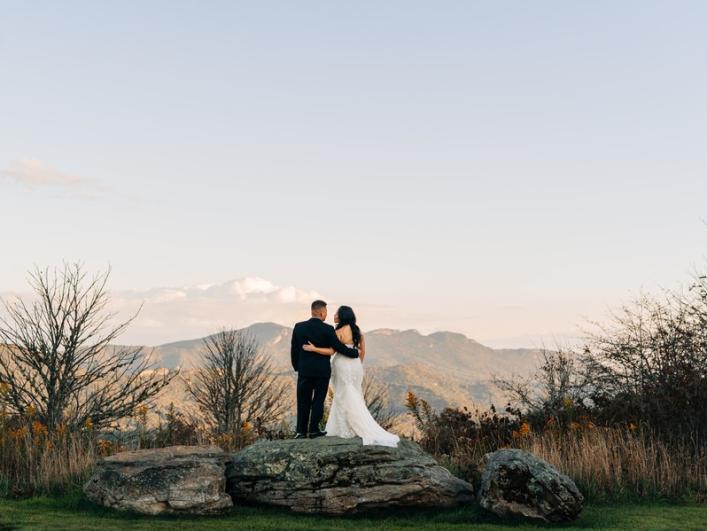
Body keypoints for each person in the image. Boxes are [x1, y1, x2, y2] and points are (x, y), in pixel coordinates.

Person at [303, 305, 399, 447]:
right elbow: (362, 352)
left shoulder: (338, 332)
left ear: (342, 316)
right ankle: (355, 424)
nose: (334, 315)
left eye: (336, 314)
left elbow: (331, 351)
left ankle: (345, 427)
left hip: (342, 364)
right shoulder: (357, 331)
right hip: (355, 366)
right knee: (353, 393)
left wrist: (314, 348)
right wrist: (357, 365)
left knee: (342, 394)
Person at [291, 300, 359, 438]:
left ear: (312, 311)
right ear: (322, 313)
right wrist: (354, 353)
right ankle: (314, 430)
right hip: (322, 371)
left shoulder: (299, 327)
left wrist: (297, 367)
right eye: (326, 312)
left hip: (304, 370)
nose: (327, 315)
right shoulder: (327, 329)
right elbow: (338, 347)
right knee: (318, 400)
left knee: (303, 401)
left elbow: (294, 350)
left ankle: (301, 431)